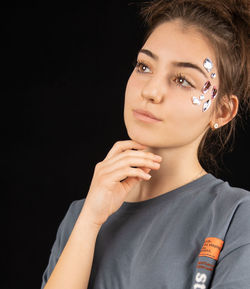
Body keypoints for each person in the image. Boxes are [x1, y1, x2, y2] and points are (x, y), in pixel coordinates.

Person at [41, 0, 250, 288]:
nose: (151, 91)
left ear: (223, 111)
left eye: (182, 80)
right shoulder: (82, 215)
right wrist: (90, 222)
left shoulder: (236, 216)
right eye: (144, 66)